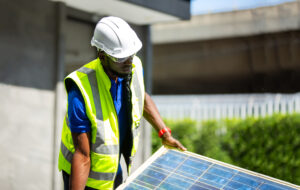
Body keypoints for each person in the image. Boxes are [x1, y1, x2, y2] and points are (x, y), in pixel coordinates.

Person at [58, 16, 186, 190]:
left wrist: (164, 134)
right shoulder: (81, 89)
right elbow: (82, 155)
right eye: (121, 57)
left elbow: (142, 97)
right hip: (84, 179)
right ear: (102, 56)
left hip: (112, 171)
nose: (129, 61)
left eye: (131, 54)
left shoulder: (133, 66)